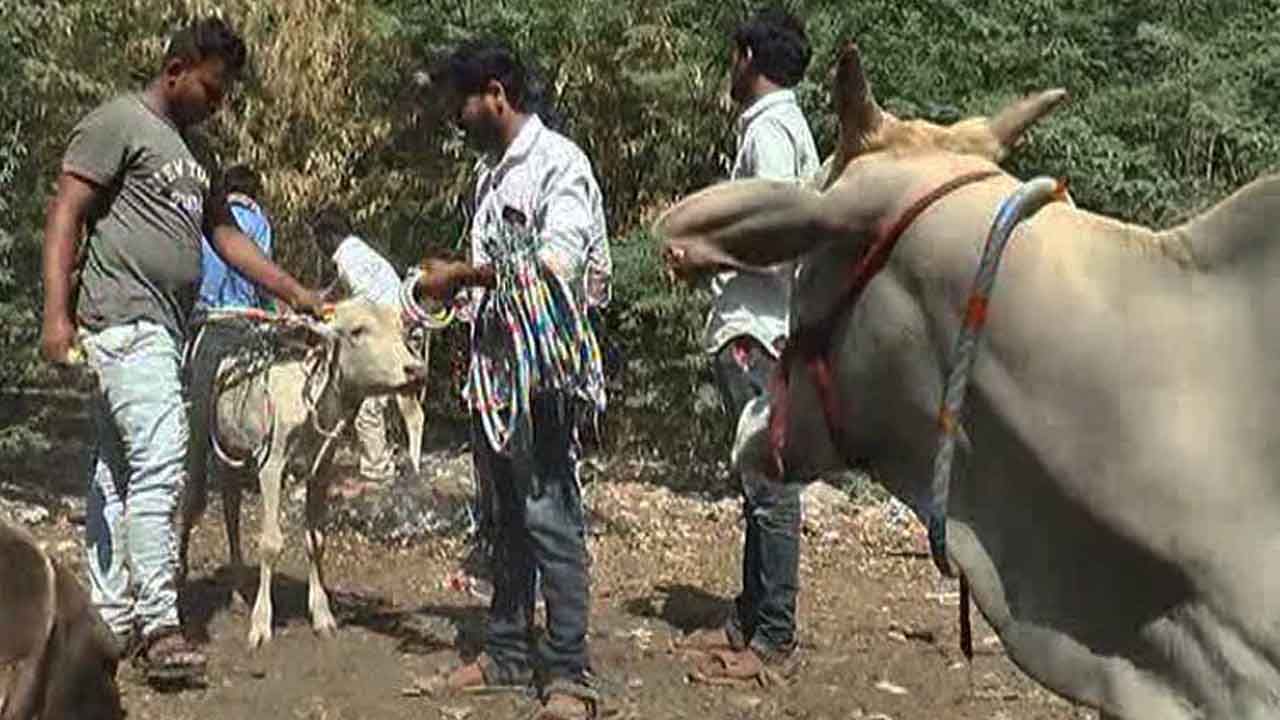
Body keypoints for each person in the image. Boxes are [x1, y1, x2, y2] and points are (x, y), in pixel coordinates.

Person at [39, 16, 323, 686]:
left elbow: (226, 236)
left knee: (118, 475)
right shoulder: (118, 124)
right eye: (213, 90)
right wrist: (56, 316)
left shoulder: (196, 158)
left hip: (167, 330)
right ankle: (160, 624)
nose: (219, 105)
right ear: (175, 70)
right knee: (166, 460)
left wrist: (296, 293)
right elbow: (66, 213)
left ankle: (109, 621)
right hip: (123, 323)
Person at [413, 39, 608, 720]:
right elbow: (491, 276)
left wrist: (464, 276)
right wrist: (453, 290)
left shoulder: (560, 165)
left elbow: (559, 265)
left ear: (495, 94)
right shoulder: (490, 177)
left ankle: (568, 671)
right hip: (495, 377)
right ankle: (505, 652)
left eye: (462, 102)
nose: (457, 117)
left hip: (545, 374)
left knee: (550, 515)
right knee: (503, 519)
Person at [678, 6, 820, 685]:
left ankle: (772, 640)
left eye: (732, 58)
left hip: (758, 331)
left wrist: (705, 254)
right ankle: (749, 617)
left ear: (746, 58)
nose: (728, 69)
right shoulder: (785, 129)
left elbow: (776, 240)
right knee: (756, 481)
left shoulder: (768, 136)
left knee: (768, 486)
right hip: (767, 327)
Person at [310, 205, 404, 490]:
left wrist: (326, 327)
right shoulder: (359, 253)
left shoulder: (348, 258)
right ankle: (390, 466)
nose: (319, 248)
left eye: (319, 240)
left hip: (387, 339)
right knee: (377, 409)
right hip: (396, 332)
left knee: (368, 414)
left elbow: (361, 304)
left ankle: (379, 481)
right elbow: (335, 294)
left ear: (329, 236)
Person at [196, 163, 275, 312]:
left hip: (204, 306)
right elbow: (263, 270)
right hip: (240, 309)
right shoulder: (258, 223)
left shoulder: (210, 217)